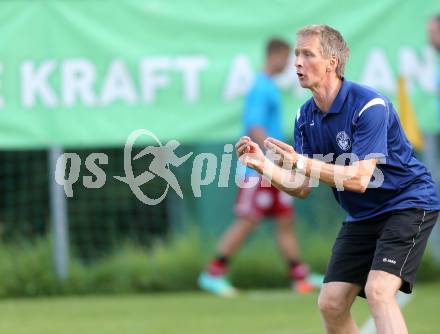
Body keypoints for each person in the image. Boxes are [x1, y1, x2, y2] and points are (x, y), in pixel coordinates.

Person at [236, 25, 440, 334]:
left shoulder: (370, 105)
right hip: (363, 214)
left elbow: (358, 179)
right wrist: (262, 165)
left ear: (332, 62)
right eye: (296, 55)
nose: (297, 63)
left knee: (379, 290)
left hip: (407, 203)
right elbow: (301, 186)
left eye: (308, 54)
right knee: (330, 304)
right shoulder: (305, 116)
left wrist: (301, 162)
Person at [198, 38, 316, 297]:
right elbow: (255, 127)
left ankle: (300, 277)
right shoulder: (260, 87)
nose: (290, 64)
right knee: (247, 221)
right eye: (288, 57)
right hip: (259, 169)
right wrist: (271, 156)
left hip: (272, 169)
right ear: (276, 55)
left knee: (285, 220)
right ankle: (213, 273)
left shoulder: (269, 86)